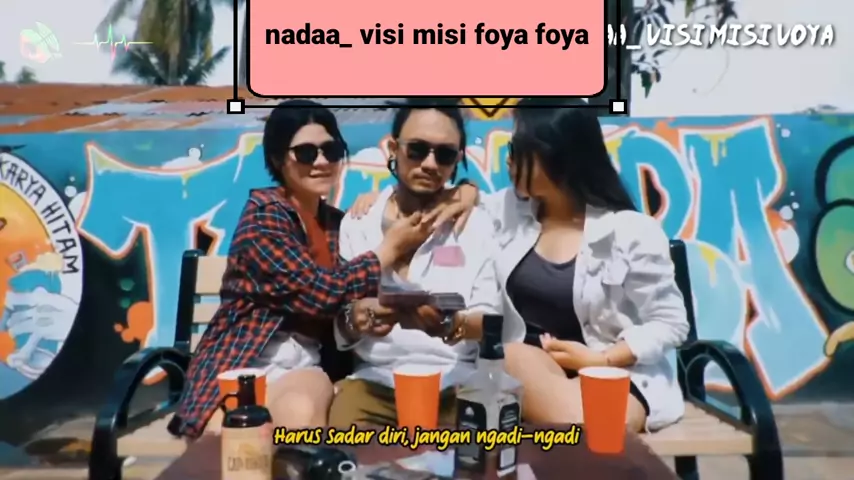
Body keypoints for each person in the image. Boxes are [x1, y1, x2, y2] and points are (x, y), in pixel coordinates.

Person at [349, 98, 690, 432]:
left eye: (516, 150)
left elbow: (671, 322)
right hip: (530, 371)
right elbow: (463, 197)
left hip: (613, 370)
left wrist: (601, 359)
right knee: (514, 360)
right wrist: (460, 191)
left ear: (554, 156)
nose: (507, 160)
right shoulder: (508, 212)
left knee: (602, 425)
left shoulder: (629, 231)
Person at [168, 100, 438, 439]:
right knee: (225, 444)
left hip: (301, 370)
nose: (322, 162)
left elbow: (361, 283)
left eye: (331, 150)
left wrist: (382, 200)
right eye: (306, 153)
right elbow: (322, 293)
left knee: (299, 417)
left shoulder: (337, 224)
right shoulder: (263, 218)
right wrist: (388, 250)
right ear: (279, 159)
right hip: (239, 365)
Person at [327, 100, 514, 428]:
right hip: (374, 383)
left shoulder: (476, 224)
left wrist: (450, 324)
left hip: (456, 383)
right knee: (348, 448)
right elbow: (340, 327)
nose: (429, 164)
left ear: (457, 160)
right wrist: (358, 318)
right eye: (417, 149)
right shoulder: (359, 222)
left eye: (444, 154)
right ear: (394, 149)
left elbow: (491, 321)